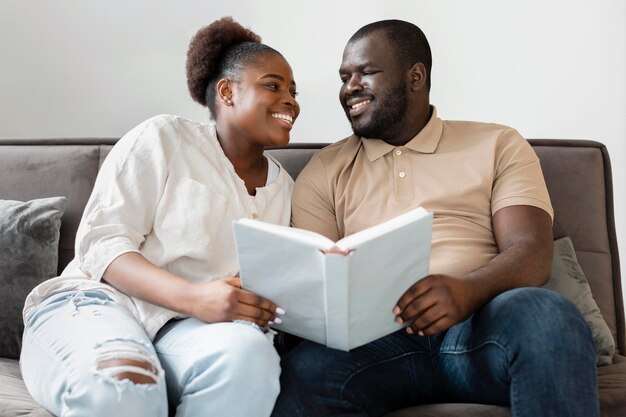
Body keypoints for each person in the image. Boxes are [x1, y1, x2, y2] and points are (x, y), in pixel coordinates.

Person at [271, 19, 598, 417]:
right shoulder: (324, 170)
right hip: (378, 345)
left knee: (549, 318)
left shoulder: (497, 143)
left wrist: (467, 290)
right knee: (302, 373)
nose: (349, 87)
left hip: (480, 328)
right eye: (344, 77)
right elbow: (314, 283)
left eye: (366, 72)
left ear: (415, 76)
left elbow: (530, 251)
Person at [20, 17, 299, 417]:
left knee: (249, 358)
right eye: (273, 85)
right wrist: (196, 297)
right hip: (98, 304)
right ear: (227, 92)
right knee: (126, 386)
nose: (291, 99)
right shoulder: (164, 138)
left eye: (293, 91)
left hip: (183, 333)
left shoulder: (286, 189)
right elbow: (102, 243)